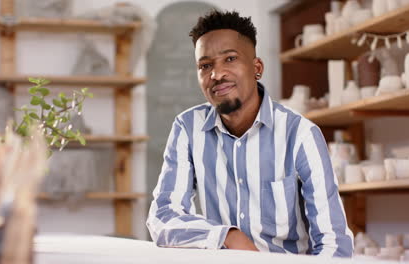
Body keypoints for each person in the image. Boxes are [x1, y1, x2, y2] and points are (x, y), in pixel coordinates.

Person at [146, 10, 353, 257]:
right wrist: (229, 236)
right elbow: (163, 217)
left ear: (257, 68)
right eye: (205, 65)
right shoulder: (187, 128)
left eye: (230, 59)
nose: (216, 74)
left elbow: (334, 244)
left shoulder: (300, 134)